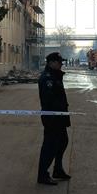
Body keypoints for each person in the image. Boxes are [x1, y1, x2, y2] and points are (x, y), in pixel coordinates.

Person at [36, 52, 71, 185]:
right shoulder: (47, 78)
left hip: (59, 116)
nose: (61, 64)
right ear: (51, 63)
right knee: (50, 146)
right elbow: (48, 100)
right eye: (59, 62)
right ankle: (42, 175)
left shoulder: (55, 76)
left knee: (63, 141)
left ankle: (58, 169)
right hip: (53, 118)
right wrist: (57, 113)